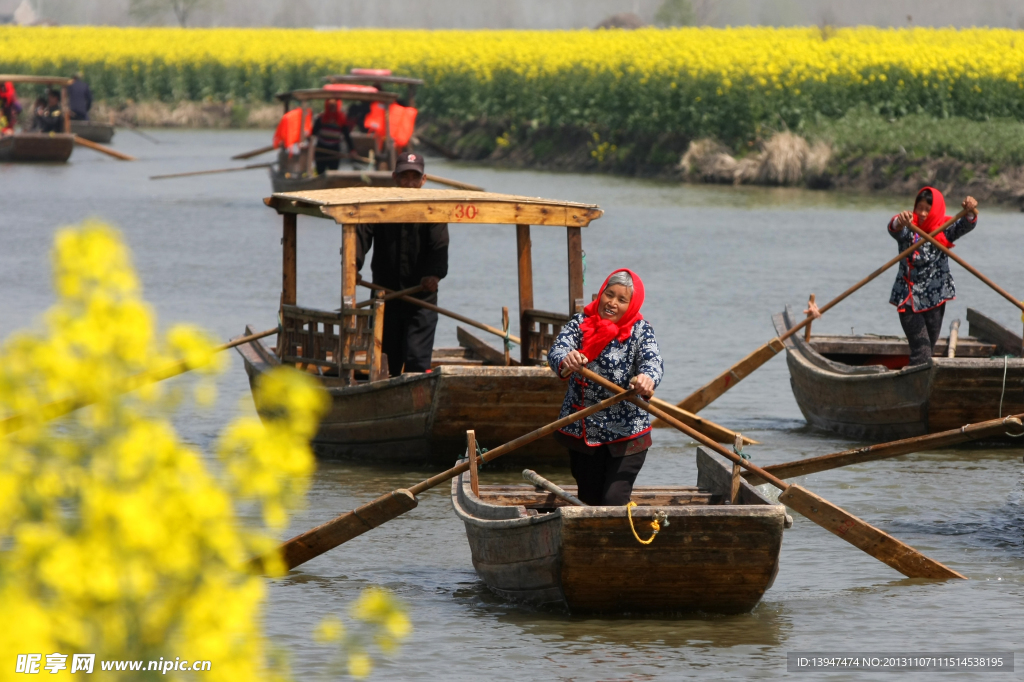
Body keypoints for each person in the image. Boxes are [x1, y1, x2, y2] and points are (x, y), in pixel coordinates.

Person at [547, 269, 664, 506]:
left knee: (613, 500)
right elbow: (557, 351)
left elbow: (653, 362)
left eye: (622, 300)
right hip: (583, 429)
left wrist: (646, 378)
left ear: (632, 305)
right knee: (588, 500)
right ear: (600, 294)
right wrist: (567, 359)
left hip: (628, 433)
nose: (612, 303)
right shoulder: (580, 323)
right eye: (609, 295)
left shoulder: (640, 330)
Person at [355, 152, 449, 376]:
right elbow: (359, 238)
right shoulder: (379, 208)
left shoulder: (433, 210)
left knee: (417, 360)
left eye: (414, 178)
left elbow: (439, 247)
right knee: (386, 362)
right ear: (394, 177)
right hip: (385, 297)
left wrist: (434, 275)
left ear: (423, 180)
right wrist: (352, 269)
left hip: (421, 298)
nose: (409, 184)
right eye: (404, 177)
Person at [887, 187, 978, 365]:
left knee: (930, 348)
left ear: (935, 211)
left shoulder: (943, 229)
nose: (921, 213)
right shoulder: (909, 228)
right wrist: (900, 220)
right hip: (910, 299)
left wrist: (970, 210)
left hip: (935, 299)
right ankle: (917, 390)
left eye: (927, 210)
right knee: (922, 351)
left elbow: (966, 224)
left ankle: (921, 387)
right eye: (919, 207)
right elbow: (894, 228)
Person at [311, 99, 354, 175]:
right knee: (320, 173)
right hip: (321, 150)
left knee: (333, 173)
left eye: (334, 106)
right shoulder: (321, 118)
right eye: (330, 106)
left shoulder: (341, 119)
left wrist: (352, 150)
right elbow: (313, 133)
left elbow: (347, 136)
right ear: (327, 106)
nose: (332, 108)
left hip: (334, 151)